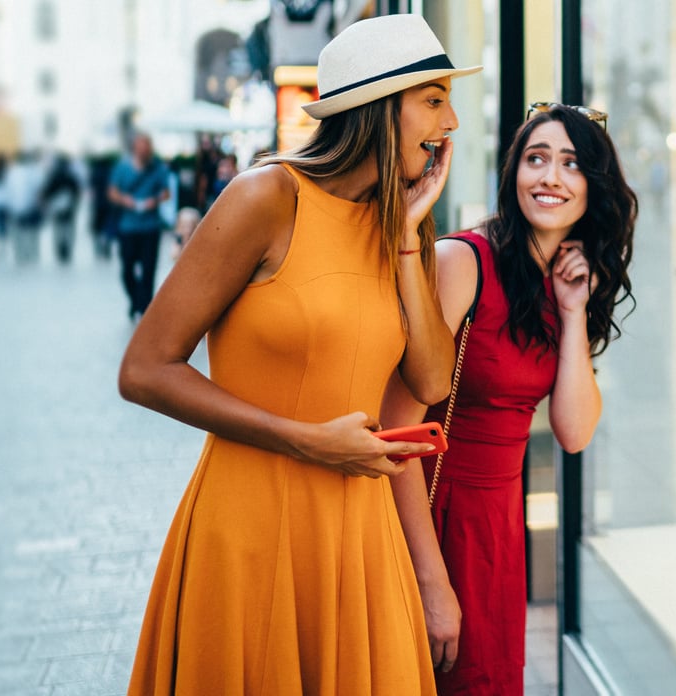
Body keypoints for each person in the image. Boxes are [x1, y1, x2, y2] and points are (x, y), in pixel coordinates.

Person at [119, 14, 480, 695]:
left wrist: (407, 236)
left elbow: (431, 377)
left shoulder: (400, 221)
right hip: (249, 521)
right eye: (434, 98)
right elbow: (145, 368)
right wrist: (307, 442)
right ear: (378, 108)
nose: (452, 121)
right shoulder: (266, 197)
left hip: (358, 534)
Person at [382, 103, 637, 694]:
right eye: (536, 158)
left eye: (570, 164)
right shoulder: (462, 261)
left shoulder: (564, 281)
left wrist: (573, 316)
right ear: (513, 173)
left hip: (498, 526)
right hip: (432, 516)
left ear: (592, 187)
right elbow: (396, 432)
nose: (549, 177)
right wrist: (430, 581)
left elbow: (573, 432)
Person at [108, 132, 170, 319]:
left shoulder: (157, 168)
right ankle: (136, 300)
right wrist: (124, 200)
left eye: (147, 147)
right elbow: (112, 192)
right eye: (141, 147)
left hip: (150, 227)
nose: (144, 151)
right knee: (127, 270)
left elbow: (166, 193)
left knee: (148, 270)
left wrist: (155, 200)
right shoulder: (123, 167)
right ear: (135, 147)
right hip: (128, 227)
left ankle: (145, 310)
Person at [41, 152, 82, 263]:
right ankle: (68, 250)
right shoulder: (72, 176)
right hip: (69, 209)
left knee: (58, 229)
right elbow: (77, 192)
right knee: (69, 229)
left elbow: (47, 191)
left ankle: (59, 250)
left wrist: (46, 202)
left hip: (56, 208)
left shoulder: (53, 175)